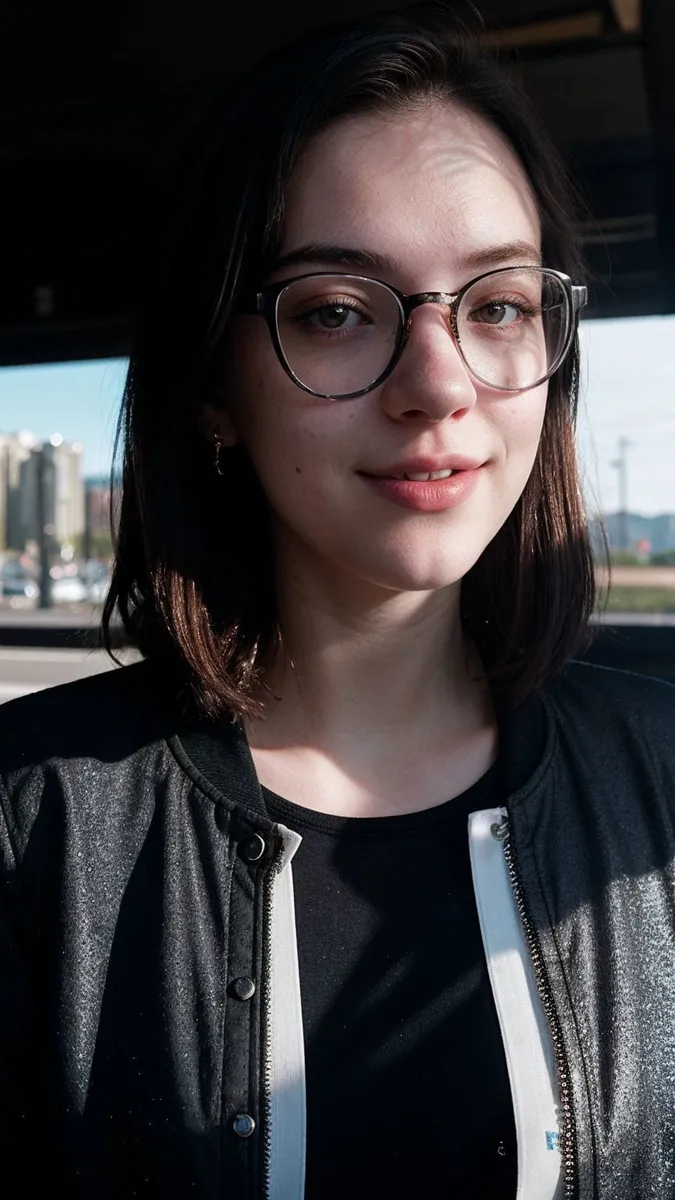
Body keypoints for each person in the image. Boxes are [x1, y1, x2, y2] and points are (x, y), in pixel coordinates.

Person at [2, 4, 675, 1197]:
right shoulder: (35, 822)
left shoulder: (659, 783)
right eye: (335, 311)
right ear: (213, 389)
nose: (439, 383)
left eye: (500, 304)